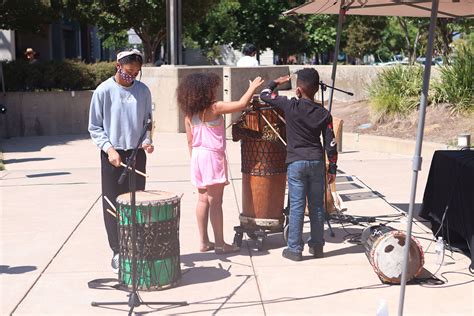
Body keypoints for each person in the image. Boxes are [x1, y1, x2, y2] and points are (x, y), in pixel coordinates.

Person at [177, 72, 264, 254]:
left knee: (202, 200)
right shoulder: (215, 108)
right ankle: (220, 244)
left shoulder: (189, 114)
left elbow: (189, 141)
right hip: (212, 157)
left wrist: (195, 160)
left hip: (197, 157)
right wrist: (252, 87)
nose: (215, 91)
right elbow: (241, 104)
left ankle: (204, 242)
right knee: (216, 202)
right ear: (205, 91)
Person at [260, 68, 338, 261]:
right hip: (317, 163)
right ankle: (317, 247)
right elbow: (331, 144)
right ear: (315, 89)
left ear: (298, 90)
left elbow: (264, 95)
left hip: (296, 163)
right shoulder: (323, 114)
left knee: (297, 206)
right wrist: (333, 168)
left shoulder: (290, 106)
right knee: (317, 207)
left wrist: (275, 82)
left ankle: (294, 249)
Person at [88, 49, 154, 273]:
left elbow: (147, 122)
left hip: (136, 154)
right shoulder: (104, 90)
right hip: (113, 155)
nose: (132, 76)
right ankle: (118, 250)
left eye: (136, 72)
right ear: (118, 66)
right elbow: (95, 127)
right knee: (113, 204)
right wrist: (109, 149)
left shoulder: (143, 91)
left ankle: (136, 247)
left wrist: (147, 141)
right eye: (128, 71)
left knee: (136, 203)